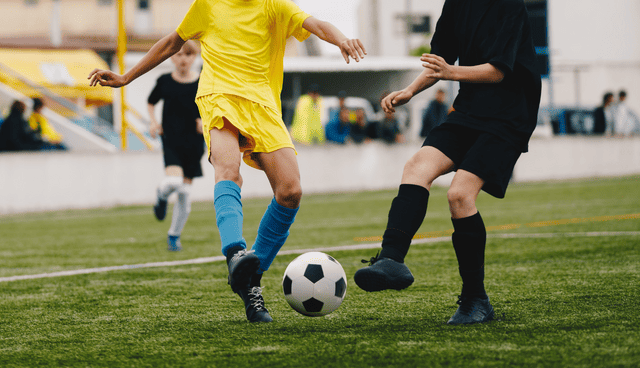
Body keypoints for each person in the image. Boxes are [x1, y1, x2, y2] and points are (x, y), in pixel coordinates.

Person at [89, 0, 365, 323]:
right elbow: (170, 42)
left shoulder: (274, 6)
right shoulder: (208, 5)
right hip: (218, 96)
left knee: (290, 191)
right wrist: (126, 77)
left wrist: (342, 39)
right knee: (228, 169)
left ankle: (250, 277)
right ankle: (235, 254)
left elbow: (315, 24)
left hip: (263, 104)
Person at [353, 0, 541, 325]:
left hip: (509, 117)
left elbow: (497, 71)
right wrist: (410, 90)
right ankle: (392, 260)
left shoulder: (509, 5)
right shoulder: (455, 3)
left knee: (459, 195)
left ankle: (475, 301)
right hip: (470, 111)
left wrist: (450, 72)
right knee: (416, 167)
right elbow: (439, 63)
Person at [147, 40, 205, 252]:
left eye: (188, 55)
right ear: (172, 57)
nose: (183, 59)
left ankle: (174, 236)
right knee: (173, 181)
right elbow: (151, 101)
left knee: (184, 195)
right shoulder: (164, 81)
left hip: (195, 143)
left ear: (194, 57)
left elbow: (212, 105)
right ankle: (161, 196)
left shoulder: (203, 82)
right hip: (171, 140)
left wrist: (204, 121)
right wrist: (153, 122)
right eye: (179, 55)